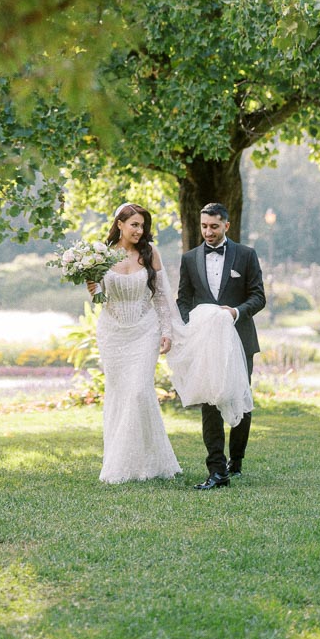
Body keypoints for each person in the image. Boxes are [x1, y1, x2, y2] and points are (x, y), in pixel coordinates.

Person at [87, 202, 181, 482]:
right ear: (120, 224)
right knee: (120, 393)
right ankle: (123, 462)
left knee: (140, 391)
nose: (140, 230)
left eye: (142, 226)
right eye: (134, 225)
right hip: (113, 333)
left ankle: (147, 463)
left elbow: (162, 297)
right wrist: (92, 288)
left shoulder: (150, 254)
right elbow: (100, 301)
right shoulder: (101, 256)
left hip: (144, 331)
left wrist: (167, 331)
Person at [176, 202, 266, 489]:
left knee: (240, 397)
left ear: (226, 225)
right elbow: (183, 299)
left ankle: (235, 461)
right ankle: (216, 469)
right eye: (204, 226)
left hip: (240, 339)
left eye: (214, 226)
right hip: (204, 342)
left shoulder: (246, 255)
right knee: (209, 401)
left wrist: (235, 312)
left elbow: (258, 296)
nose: (208, 232)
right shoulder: (189, 259)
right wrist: (192, 325)